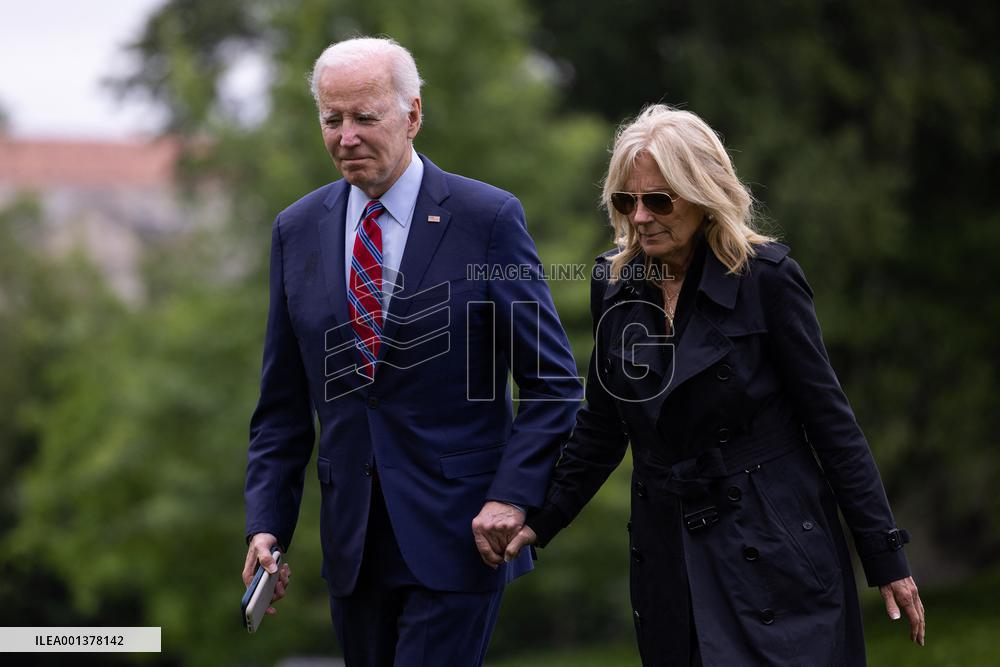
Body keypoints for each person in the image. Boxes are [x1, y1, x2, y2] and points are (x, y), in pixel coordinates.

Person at [501, 105, 925, 665]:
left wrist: (885, 555)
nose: (641, 217)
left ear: (703, 196)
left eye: (659, 199)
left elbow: (831, 424)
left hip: (774, 543)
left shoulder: (767, 278)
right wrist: (541, 517)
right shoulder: (613, 283)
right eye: (626, 201)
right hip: (668, 546)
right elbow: (603, 426)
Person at [241, 37, 581, 666]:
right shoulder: (295, 230)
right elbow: (282, 407)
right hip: (353, 545)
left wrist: (511, 497)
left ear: (413, 115)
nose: (346, 137)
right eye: (331, 119)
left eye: (365, 118)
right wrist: (267, 526)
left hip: (460, 537)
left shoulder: (488, 218)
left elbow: (553, 382)